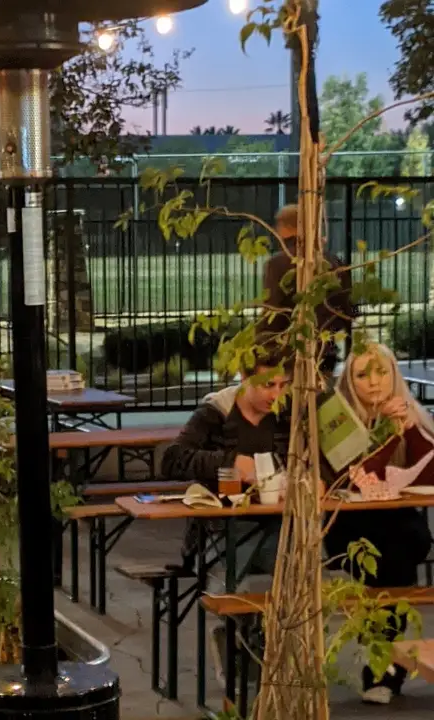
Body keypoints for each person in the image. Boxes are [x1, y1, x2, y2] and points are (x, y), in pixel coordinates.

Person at [161, 345, 292, 683]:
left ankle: (262, 649)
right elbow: (172, 459)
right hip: (221, 529)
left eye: (283, 385)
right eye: (267, 385)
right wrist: (230, 463)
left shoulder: (286, 414)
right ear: (244, 377)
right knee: (236, 580)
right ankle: (237, 640)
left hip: (276, 523)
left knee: (298, 571)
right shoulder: (215, 414)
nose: (276, 394)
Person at [323, 344, 434, 705]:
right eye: (362, 374)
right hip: (348, 523)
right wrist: (387, 432)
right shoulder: (337, 419)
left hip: (398, 520)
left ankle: (381, 665)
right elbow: (357, 478)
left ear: (394, 375)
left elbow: (429, 474)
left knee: (406, 546)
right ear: (349, 381)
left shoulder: (409, 410)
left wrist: (410, 429)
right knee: (390, 568)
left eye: (382, 372)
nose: (374, 382)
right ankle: (382, 670)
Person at [258, 204, 355, 377]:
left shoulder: (278, 264)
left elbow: (272, 311)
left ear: (285, 227)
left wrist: (262, 344)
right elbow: (348, 308)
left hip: (289, 352)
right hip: (326, 350)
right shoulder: (333, 261)